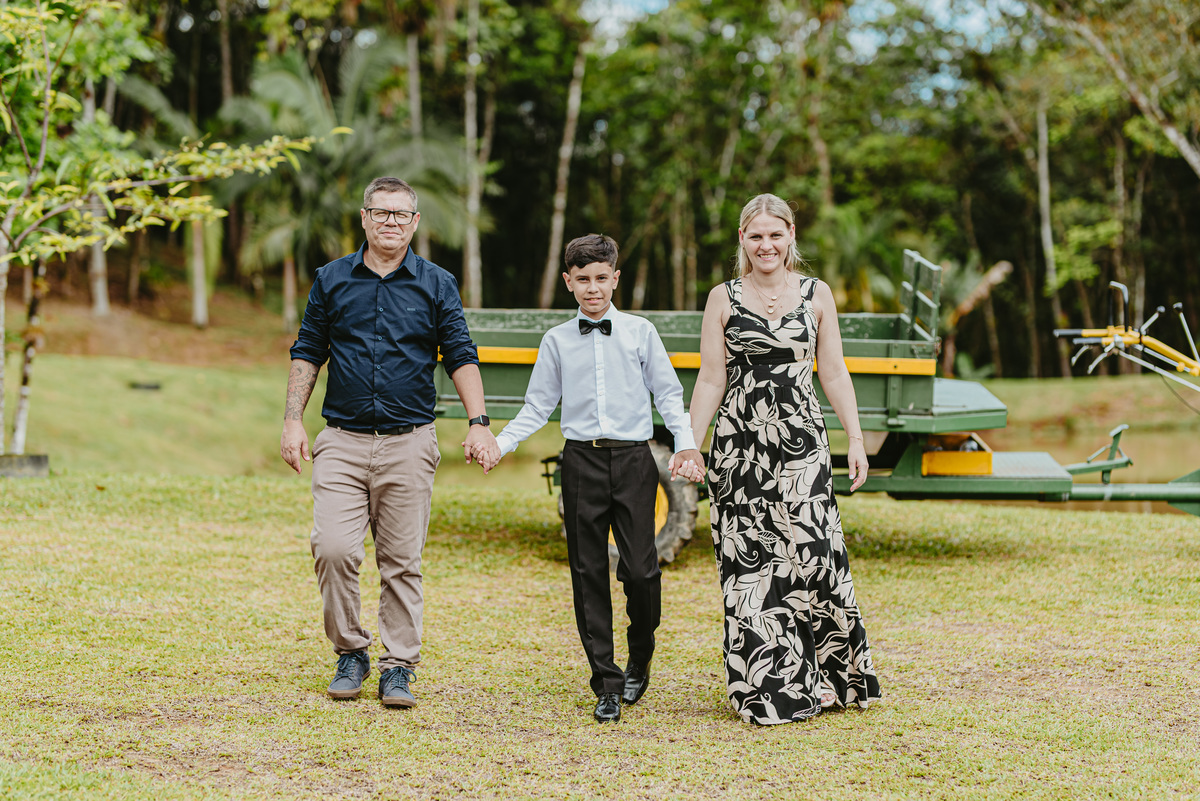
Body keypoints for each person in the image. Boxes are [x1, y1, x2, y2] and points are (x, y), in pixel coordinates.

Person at [281, 176, 499, 709]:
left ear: (415, 222)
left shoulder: (437, 283)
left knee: (401, 561)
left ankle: (398, 666)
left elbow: (460, 353)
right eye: (381, 212)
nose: (390, 222)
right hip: (342, 440)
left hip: (409, 442)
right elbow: (308, 349)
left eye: (401, 214)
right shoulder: (331, 279)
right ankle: (350, 652)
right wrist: (292, 420)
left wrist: (479, 421)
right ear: (364, 218)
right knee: (333, 548)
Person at [480, 234, 704, 723]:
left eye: (601, 278)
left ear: (615, 278)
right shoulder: (557, 340)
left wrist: (686, 443)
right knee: (587, 574)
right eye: (583, 279)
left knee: (641, 572)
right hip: (580, 462)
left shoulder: (641, 332)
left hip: (635, 461)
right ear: (569, 282)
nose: (593, 288)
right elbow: (537, 406)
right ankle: (606, 682)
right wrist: (500, 443)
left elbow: (668, 395)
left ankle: (640, 656)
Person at [686, 193, 881, 725]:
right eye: (756, 236)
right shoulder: (722, 297)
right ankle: (769, 686)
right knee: (753, 562)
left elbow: (833, 371)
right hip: (739, 447)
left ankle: (830, 678)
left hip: (802, 442)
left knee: (815, 553)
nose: (766, 245)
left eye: (775, 234)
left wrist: (856, 439)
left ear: (791, 234)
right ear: (742, 240)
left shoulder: (817, 294)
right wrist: (690, 444)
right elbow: (711, 378)